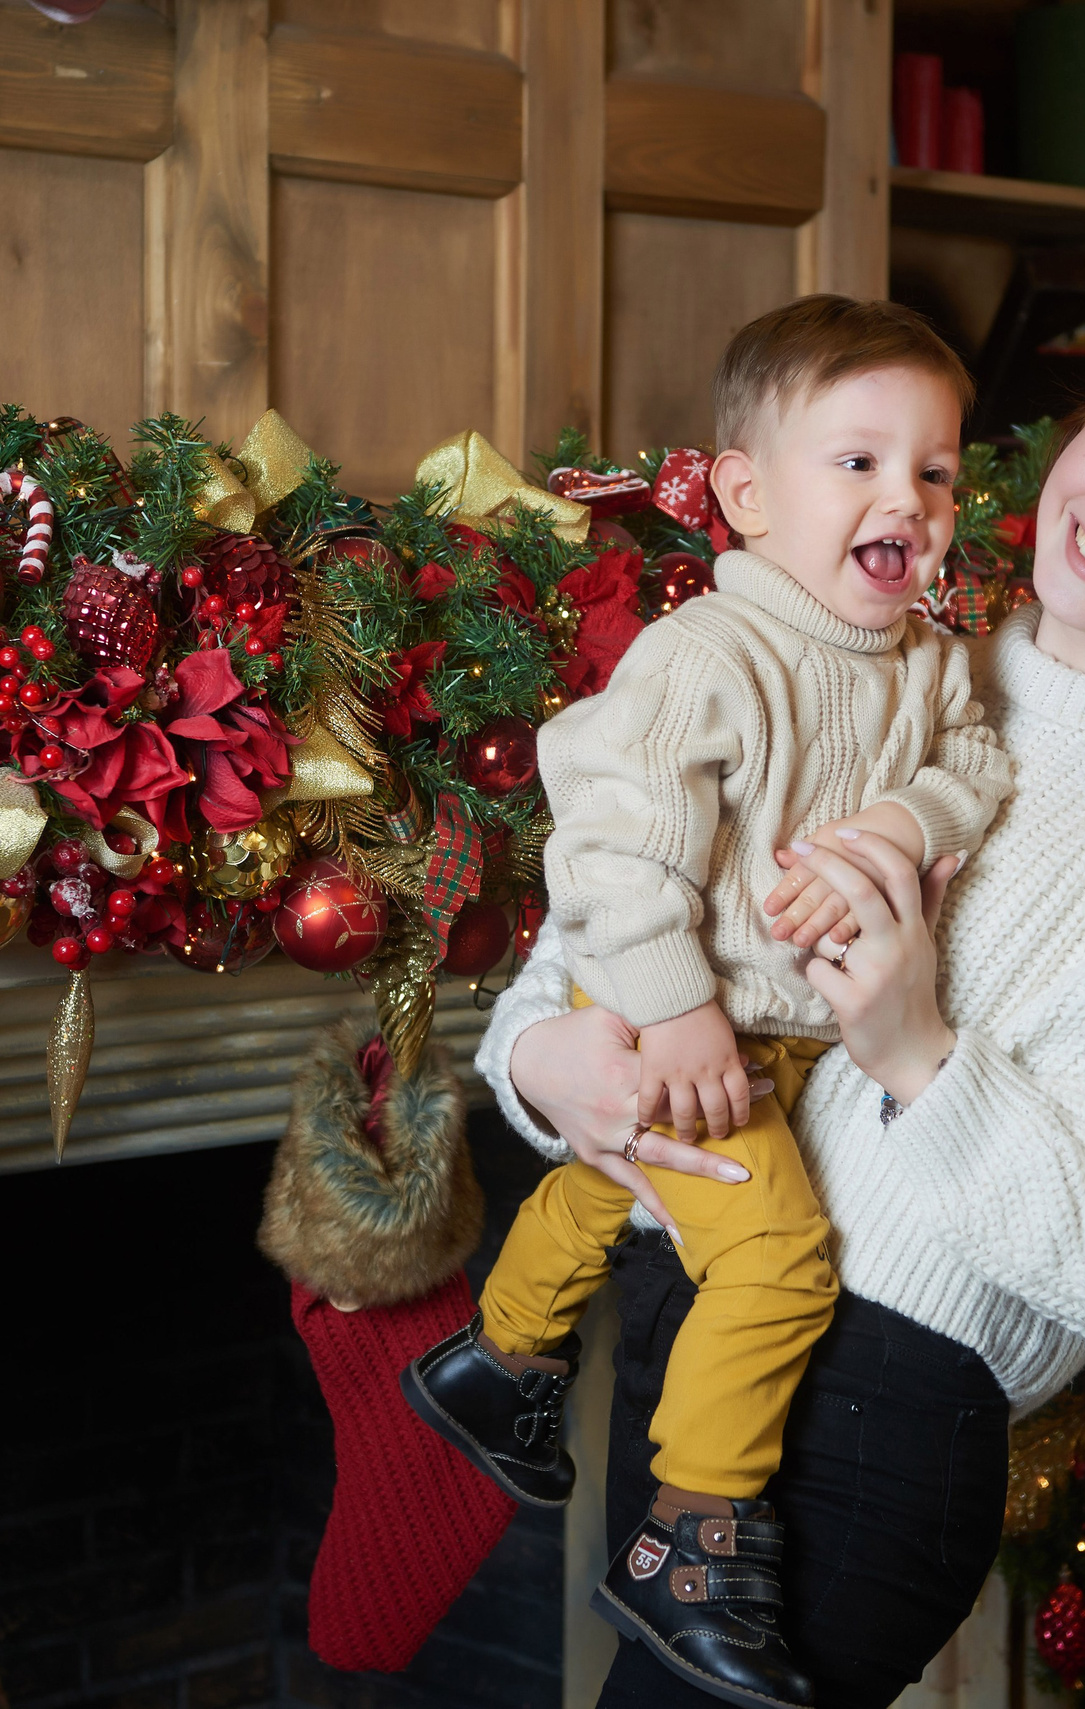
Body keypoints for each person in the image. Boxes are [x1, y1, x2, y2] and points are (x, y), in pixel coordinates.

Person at [479, 286, 1085, 1709]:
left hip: (870, 1416)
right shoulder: (881, 651)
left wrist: (924, 1060)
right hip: (688, 1323)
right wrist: (542, 1064)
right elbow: (611, 906)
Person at [404, 295, 1013, 1709]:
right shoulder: (705, 658)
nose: (905, 499)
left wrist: (910, 818)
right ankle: (691, 1532)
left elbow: (976, 768)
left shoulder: (927, 664)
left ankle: (498, 1359)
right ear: (743, 492)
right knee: (779, 1252)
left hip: (795, 1041)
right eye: (856, 461)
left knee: (638, 1186)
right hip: (693, 1017)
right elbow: (610, 838)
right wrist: (670, 1007)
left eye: (933, 470)